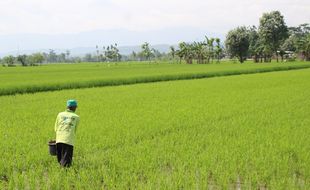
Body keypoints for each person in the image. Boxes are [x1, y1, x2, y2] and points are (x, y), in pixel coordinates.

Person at [54, 100, 80, 167]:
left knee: (60, 159)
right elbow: (75, 130)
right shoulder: (76, 117)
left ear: (67, 106)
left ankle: (61, 172)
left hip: (59, 139)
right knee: (66, 161)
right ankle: (65, 174)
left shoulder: (60, 114)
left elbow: (55, 128)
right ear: (74, 107)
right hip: (68, 140)